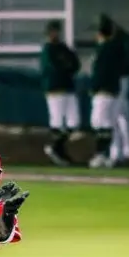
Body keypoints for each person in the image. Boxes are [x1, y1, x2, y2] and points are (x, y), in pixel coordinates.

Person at [99, 13, 129, 163]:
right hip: (120, 79)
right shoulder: (124, 40)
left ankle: (116, 153)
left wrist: (122, 71)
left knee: (115, 116)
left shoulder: (116, 43)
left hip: (118, 81)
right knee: (123, 115)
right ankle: (127, 149)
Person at [40, 20, 82, 166]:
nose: (55, 34)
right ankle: (57, 150)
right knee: (57, 121)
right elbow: (53, 67)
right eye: (52, 31)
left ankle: (56, 147)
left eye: (57, 31)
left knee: (73, 122)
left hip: (68, 87)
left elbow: (75, 64)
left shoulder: (64, 48)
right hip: (55, 89)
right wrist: (66, 66)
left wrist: (66, 66)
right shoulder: (48, 49)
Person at [87, 18, 120, 169]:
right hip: (110, 90)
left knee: (101, 123)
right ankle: (105, 155)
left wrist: (94, 86)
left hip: (103, 90)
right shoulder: (113, 49)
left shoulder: (105, 49)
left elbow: (100, 72)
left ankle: (101, 155)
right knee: (105, 123)